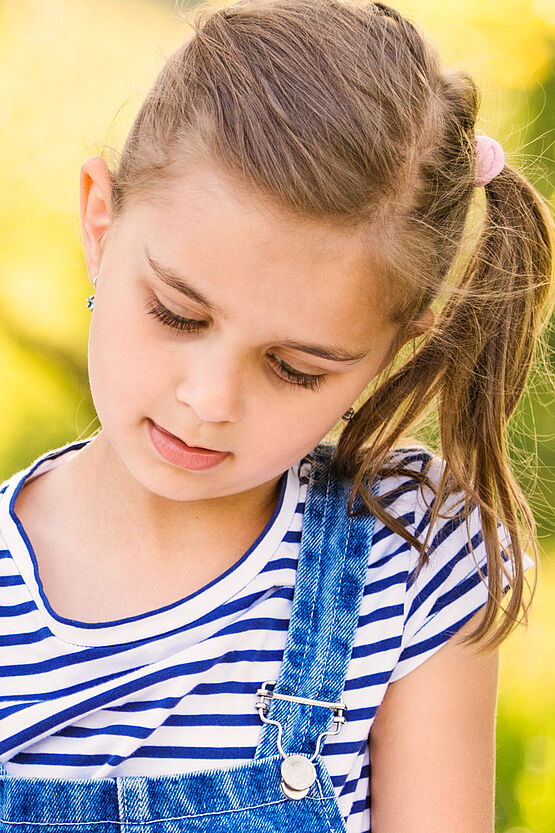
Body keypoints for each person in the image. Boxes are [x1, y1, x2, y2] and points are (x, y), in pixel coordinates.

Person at [0, 0, 552, 830]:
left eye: (295, 369)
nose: (208, 401)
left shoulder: (405, 551)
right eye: (179, 315)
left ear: (390, 352)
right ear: (100, 221)